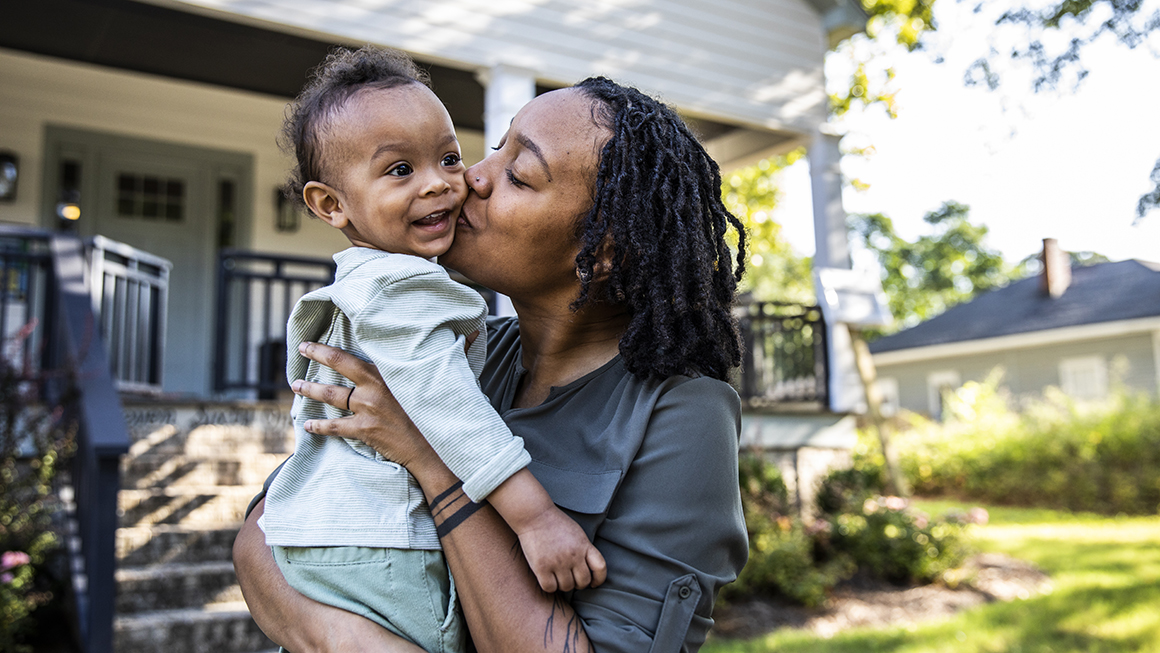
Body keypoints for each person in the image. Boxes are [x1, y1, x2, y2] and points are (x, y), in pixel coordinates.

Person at [234, 72, 751, 653]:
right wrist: (343, 639)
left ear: (601, 250)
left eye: (519, 174)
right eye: (496, 146)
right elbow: (263, 533)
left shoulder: (682, 413)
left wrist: (433, 463)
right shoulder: (454, 349)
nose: (470, 177)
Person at [258, 46, 605, 653]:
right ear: (331, 205)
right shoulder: (400, 287)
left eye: (448, 157)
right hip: (381, 540)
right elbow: (451, 411)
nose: (443, 184)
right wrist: (536, 518)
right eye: (399, 171)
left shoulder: (364, 283)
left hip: (328, 534)